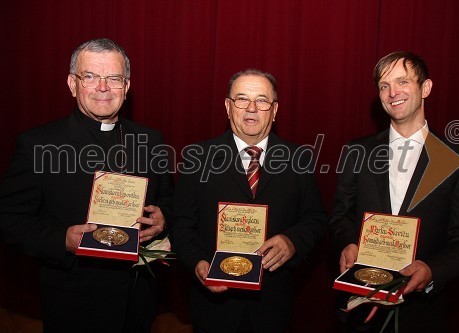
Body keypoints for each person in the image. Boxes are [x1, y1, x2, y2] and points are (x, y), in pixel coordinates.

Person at [0, 38, 174, 333]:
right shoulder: (37, 144)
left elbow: (170, 198)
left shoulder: (151, 140)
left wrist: (163, 217)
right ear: (72, 84)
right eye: (90, 76)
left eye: (114, 78)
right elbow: (8, 218)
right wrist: (61, 239)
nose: (103, 88)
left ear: (127, 86)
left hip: (137, 298)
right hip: (73, 300)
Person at [329, 51, 459, 332]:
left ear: (425, 88)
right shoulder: (357, 151)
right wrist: (348, 243)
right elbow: (340, 216)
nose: (392, 93)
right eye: (384, 86)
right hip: (359, 310)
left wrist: (432, 270)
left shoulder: (456, 159)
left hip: (422, 313)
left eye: (402, 82)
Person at [171, 69, 327, 333]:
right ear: (227, 106)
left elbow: (315, 219)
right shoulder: (198, 157)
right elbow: (182, 224)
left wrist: (292, 242)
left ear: (275, 110)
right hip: (214, 305)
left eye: (262, 100)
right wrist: (198, 263)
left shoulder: (299, 158)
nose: (252, 108)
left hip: (273, 305)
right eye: (242, 99)